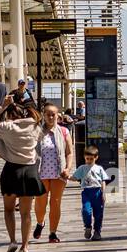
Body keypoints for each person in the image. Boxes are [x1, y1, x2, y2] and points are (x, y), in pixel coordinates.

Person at [0, 98, 43, 252]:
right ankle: (25, 246)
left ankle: (12, 241)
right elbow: (41, 138)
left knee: (9, 209)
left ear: (10, 115)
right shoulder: (35, 126)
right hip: (30, 170)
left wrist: (1, 107)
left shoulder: (8, 127)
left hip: (12, 170)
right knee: (26, 212)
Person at [33, 102, 75, 243]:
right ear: (43, 115)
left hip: (59, 173)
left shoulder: (64, 132)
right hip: (41, 173)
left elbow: (69, 152)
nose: (51, 117)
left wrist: (68, 168)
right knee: (40, 203)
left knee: (55, 203)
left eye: (53, 114)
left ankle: (53, 233)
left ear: (58, 115)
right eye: (48, 114)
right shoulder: (37, 131)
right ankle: (40, 222)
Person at [72, 145, 113, 240]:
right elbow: (75, 177)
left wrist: (103, 192)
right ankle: (87, 226)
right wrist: (66, 176)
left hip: (97, 192)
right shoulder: (82, 168)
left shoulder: (99, 168)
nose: (89, 161)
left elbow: (103, 180)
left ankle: (97, 231)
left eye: (91, 159)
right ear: (84, 158)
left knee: (98, 213)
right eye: (87, 159)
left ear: (96, 158)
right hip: (86, 192)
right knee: (86, 210)